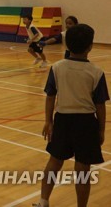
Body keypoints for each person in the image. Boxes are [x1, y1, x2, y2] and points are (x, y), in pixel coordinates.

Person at [34, 24, 108, 207]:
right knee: (83, 168)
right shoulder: (97, 72)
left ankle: (43, 201)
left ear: (67, 45)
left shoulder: (57, 67)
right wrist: (101, 129)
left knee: (54, 162)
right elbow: (100, 106)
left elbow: (50, 96)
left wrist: (48, 121)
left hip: (63, 120)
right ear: (90, 46)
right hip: (86, 123)